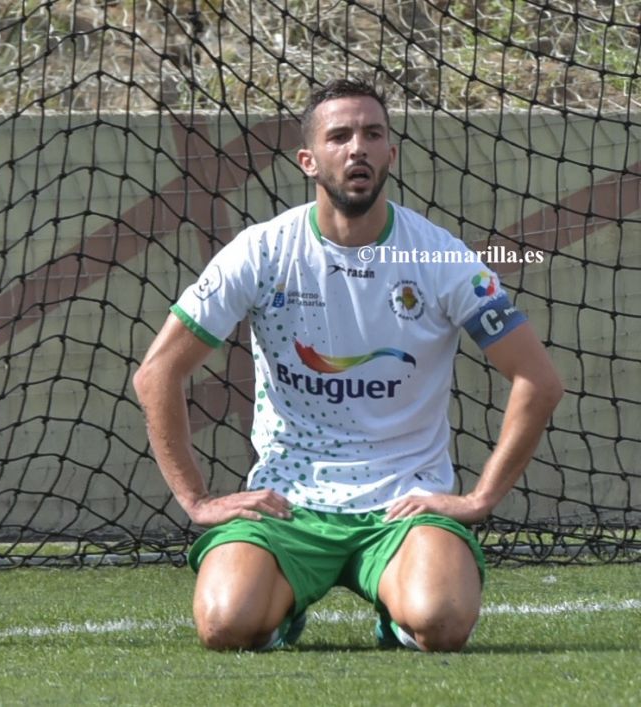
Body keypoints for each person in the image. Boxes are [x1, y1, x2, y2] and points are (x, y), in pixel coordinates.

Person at [132, 78, 563, 652]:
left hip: (404, 506)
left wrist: (480, 499)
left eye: (372, 133)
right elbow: (157, 372)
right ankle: (277, 612)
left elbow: (539, 379)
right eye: (340, 136)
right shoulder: (261, 251)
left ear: (392, 153)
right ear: (309, 160)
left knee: (441, 623)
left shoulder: (441, 257)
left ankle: (400, 612)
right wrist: (195, 500)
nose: (357, 147)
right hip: (287, 504)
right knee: (226, 624)